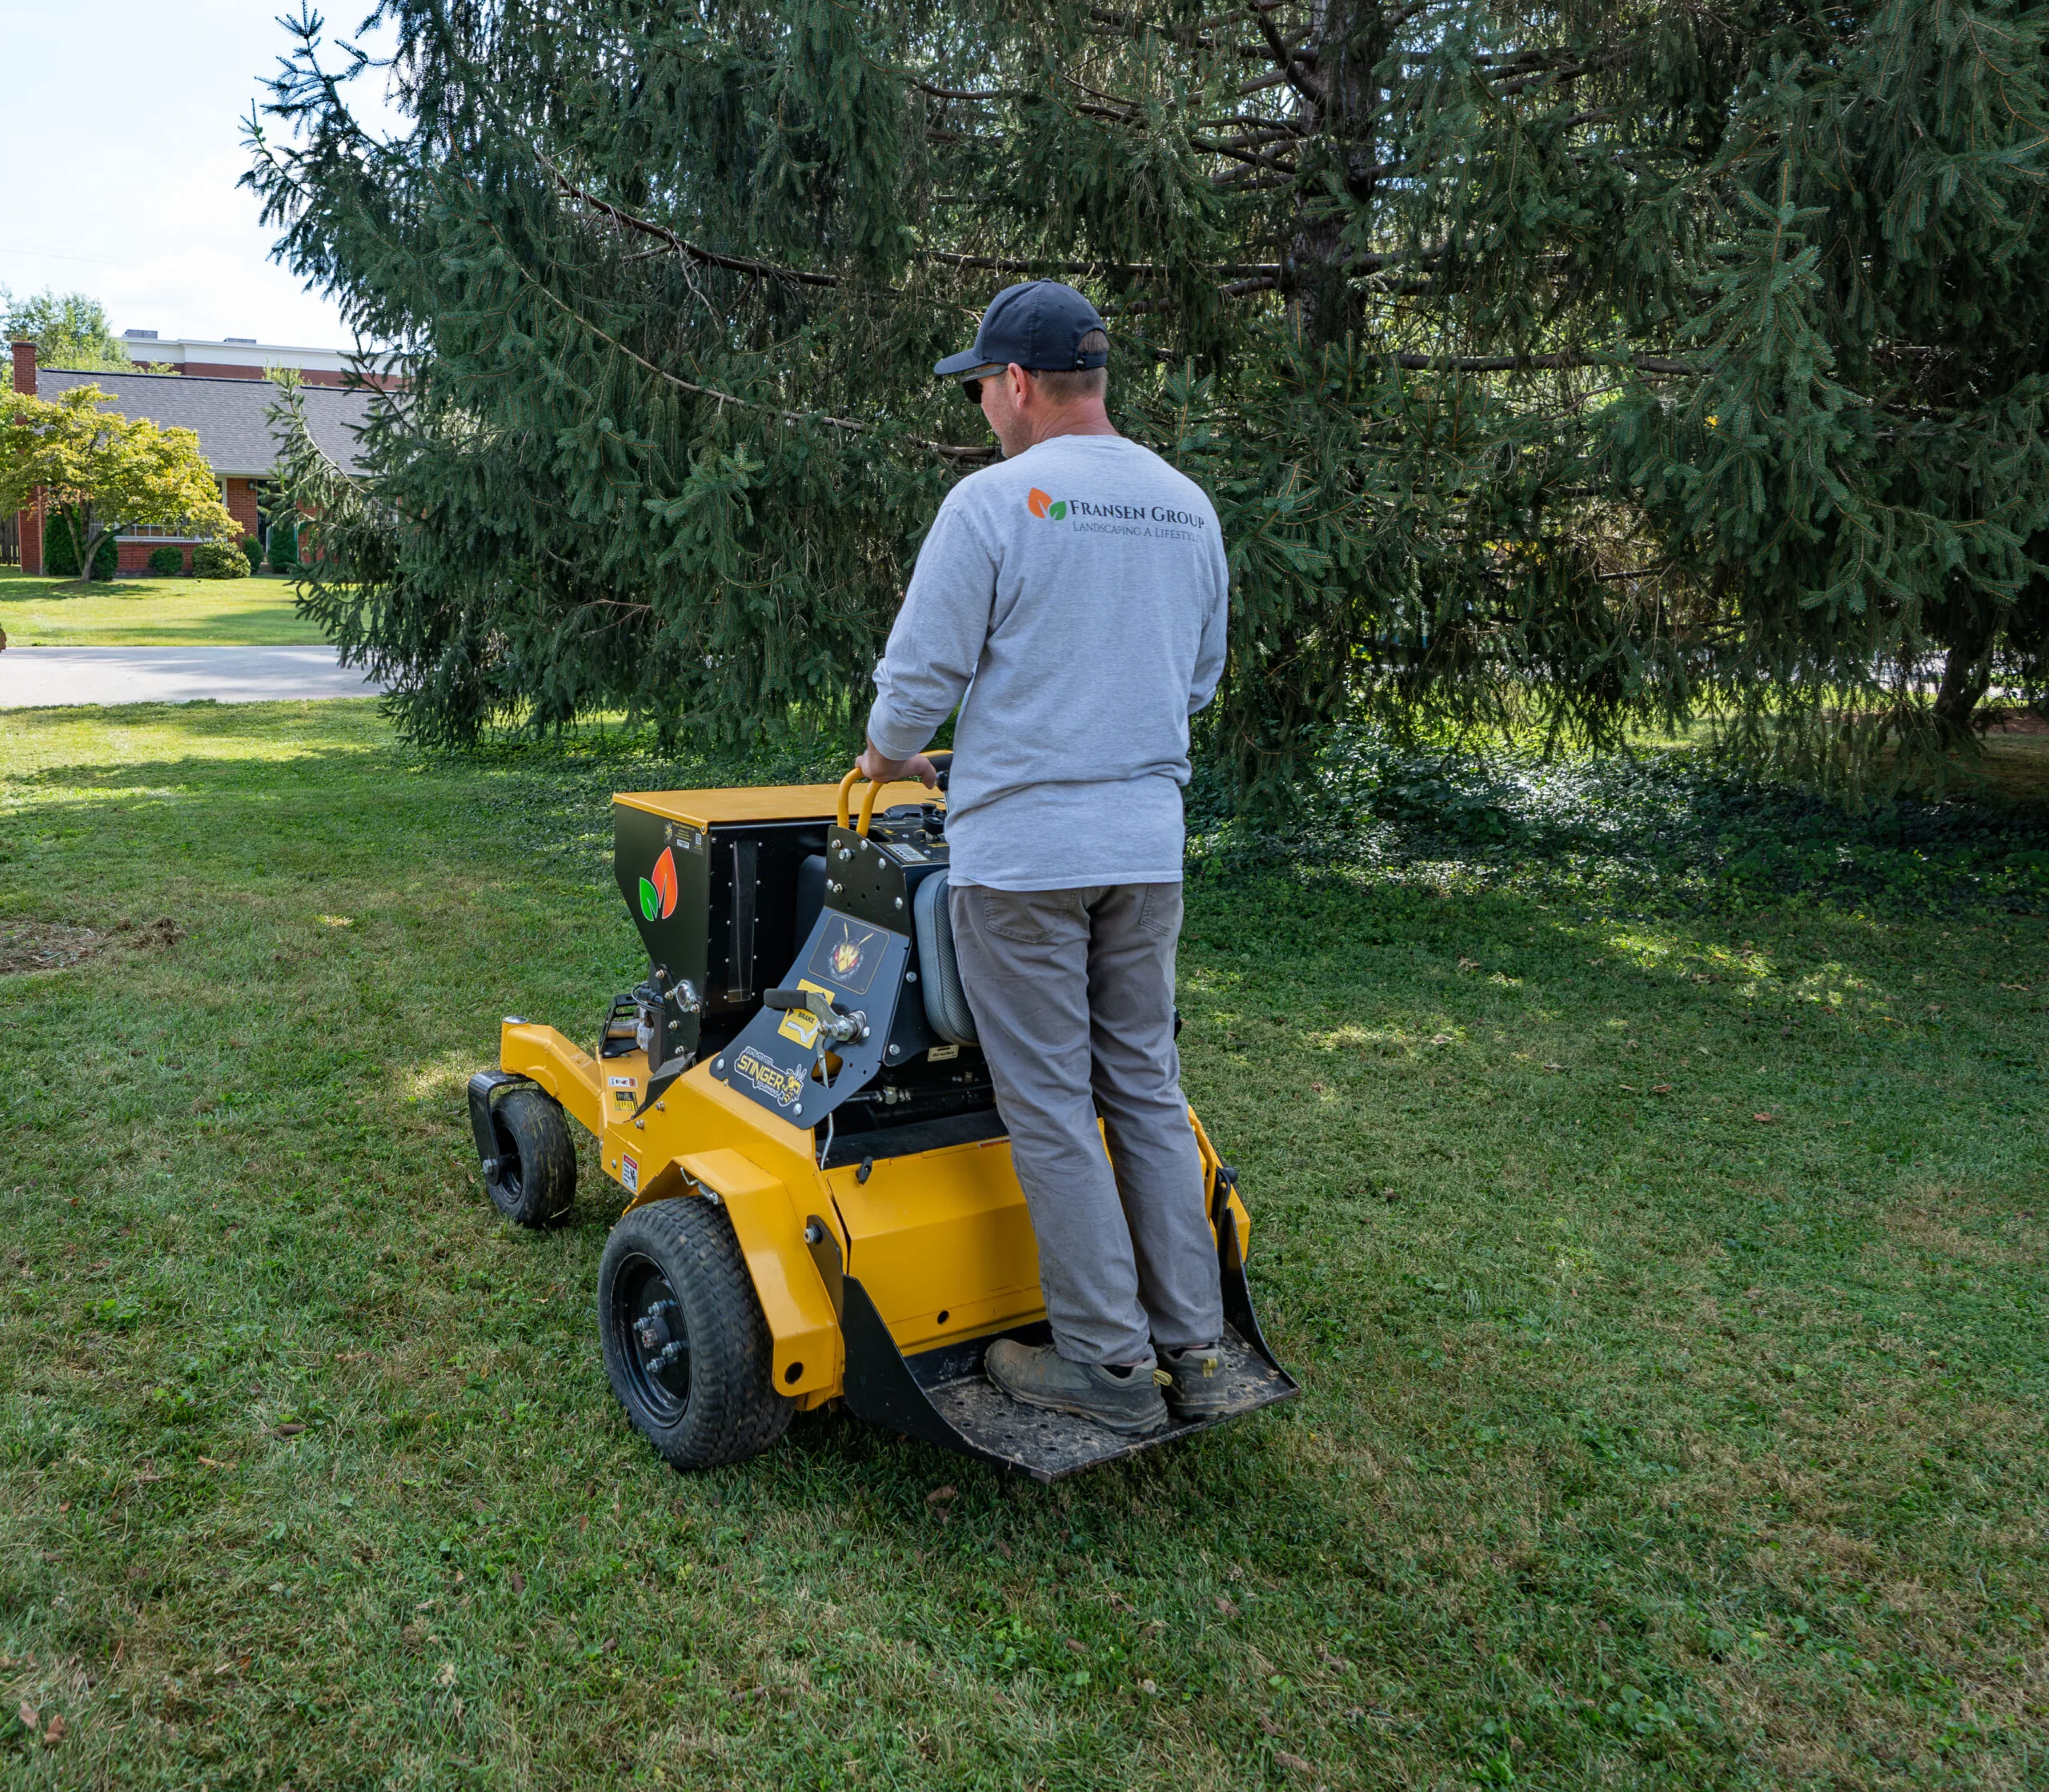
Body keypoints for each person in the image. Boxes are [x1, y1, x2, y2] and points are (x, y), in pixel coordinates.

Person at [855, 280, 1232, 1436]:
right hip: (1145, 850)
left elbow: (917, 684)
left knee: (1055, 1104)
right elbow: (1197, 681)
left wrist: (888, 759)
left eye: (981, 387)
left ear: (1018, 384)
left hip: (1023, 864)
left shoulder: (994, 503)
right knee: (1147, 1089)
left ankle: (1108, 1368)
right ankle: (1199, 1350)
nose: (981, 408)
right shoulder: (1186, 507)